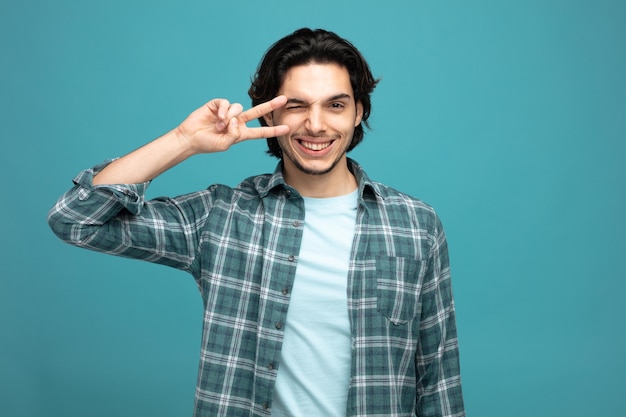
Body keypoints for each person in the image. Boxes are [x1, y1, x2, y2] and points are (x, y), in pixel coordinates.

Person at [48, 28, 465, 417]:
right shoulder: (221, 217)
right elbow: (77, 220)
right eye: (296, 106)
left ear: (358, 112)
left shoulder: (416, 225)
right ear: (267, 116)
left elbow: (438, 380)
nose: (316, 124)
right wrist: (184, 141)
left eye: (335, 105)